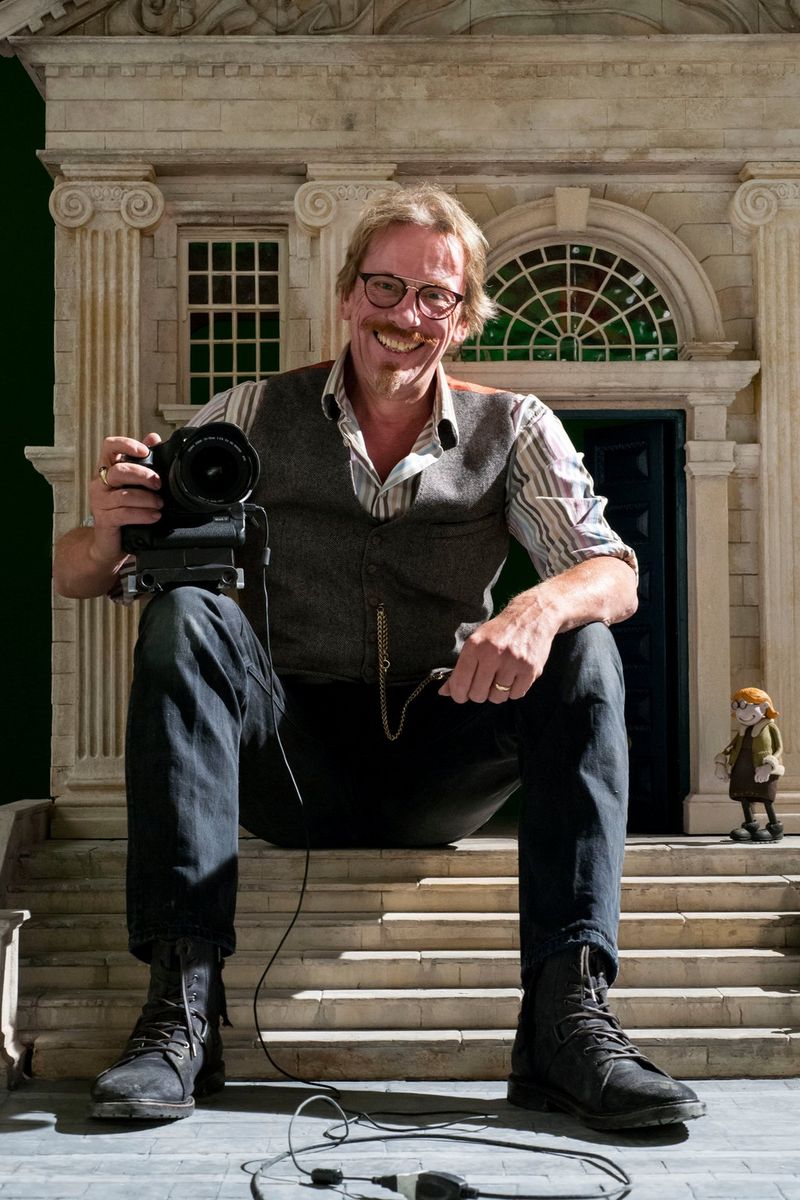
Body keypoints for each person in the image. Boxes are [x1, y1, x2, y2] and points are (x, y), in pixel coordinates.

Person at [53, 184, 704, 1130]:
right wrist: (113, 528)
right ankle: (181, 1012)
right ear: (350, 296)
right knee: (186, 612)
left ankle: (567, 1022)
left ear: (465, 313)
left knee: (584, 645)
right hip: (287, 756)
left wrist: (538, 603)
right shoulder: (248, 413)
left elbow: (614, 571)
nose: (406, 316)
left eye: (434, 296)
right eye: (385, 289)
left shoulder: (515, 424)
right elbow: (80, 576)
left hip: (441, 755)